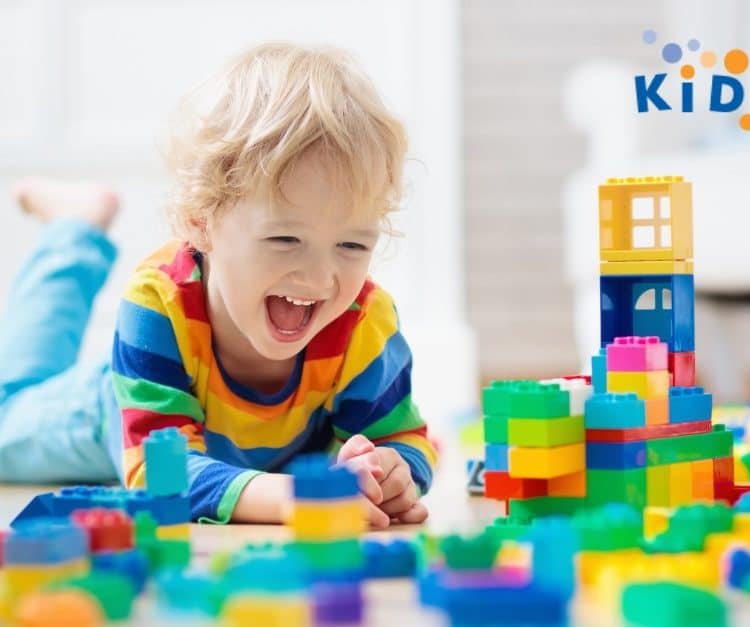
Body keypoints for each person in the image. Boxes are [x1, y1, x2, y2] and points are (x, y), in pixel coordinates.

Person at [0, 43, 436, 527]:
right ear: (200, 222)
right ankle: (74, 232)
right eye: (285, 237)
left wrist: (392, 472)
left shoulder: (363, 324)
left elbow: (405, 441)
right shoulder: (158, 305)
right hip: (106, 410)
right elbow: (159, 472)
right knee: (8, 412)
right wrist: (292, 498)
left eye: (352, 246)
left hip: (231, 456)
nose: (319, 278)